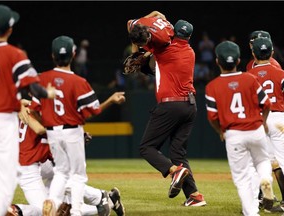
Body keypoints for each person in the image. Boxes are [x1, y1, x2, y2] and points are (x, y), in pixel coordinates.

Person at [29, 35, 125, 216]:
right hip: (72, 131)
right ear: (73, 54)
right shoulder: (79, 82)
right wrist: (111, 100)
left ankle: (53, 201)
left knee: (61, 172)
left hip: (52, 133)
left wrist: (47, 120)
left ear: (52, 55)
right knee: (78, 176)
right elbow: (94, 111)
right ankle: (76, 212)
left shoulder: (42, 79)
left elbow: (33, 110)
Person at [127, 12, 206, 207]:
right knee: (178, 153)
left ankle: (174, 171)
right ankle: (194, 195)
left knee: (146, 147)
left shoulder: (164, 48)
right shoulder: (190, 51)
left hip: (171, 105)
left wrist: (140, 52)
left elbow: (131, 26)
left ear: (173, 31)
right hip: (191, 106)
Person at [7, 103, 125, 216]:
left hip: (29, 165)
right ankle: (103, 201)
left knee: (49, 208)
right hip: (24, 164)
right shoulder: (39, 111)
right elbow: (41, 129)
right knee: (53, 206)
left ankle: (16, 210)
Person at [0, 5, 56, 216]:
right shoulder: (15, 54)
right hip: (4, 121)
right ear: (9, 29)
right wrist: (46, 94)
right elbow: (34, 86)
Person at [205, 40, 275, 216]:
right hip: (256, 128)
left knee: (242, 179)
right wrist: (263, 121)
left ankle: (252, 213)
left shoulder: (212, 86)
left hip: (234, 133)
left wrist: (220, 131)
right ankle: (266, 179)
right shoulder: (250, 78)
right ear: (237, 61)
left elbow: (212, 117)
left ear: (217, 62)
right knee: (263, 161)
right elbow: (266, 104)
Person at [247, 37, 284, 213]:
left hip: (257, 121)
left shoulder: (249, 76)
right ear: (272, 53)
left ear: (253, 53)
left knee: (257, 163)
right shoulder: (280, 73)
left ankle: (253, 203)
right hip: (278, 119)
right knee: (282, 162)